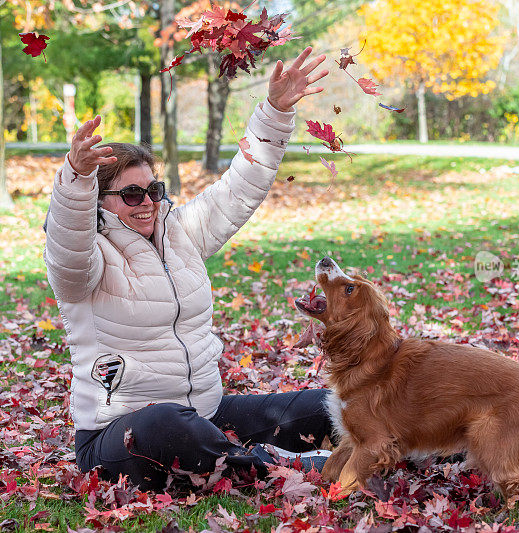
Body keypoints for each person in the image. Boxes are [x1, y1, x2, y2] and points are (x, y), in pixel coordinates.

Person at [43, 47, 335, 490]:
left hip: (205, 412)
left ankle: (429, 441)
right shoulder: (88, 258)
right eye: (131, 194)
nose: (148, 203)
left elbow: (240, 188)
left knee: (332, 406)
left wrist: (274, 112)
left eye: (154, 190)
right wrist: (75, 180)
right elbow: (66, 247)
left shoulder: (179, 232)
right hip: (122, 435)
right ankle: (275, 469)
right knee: (164, 423)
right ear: (100, 202)